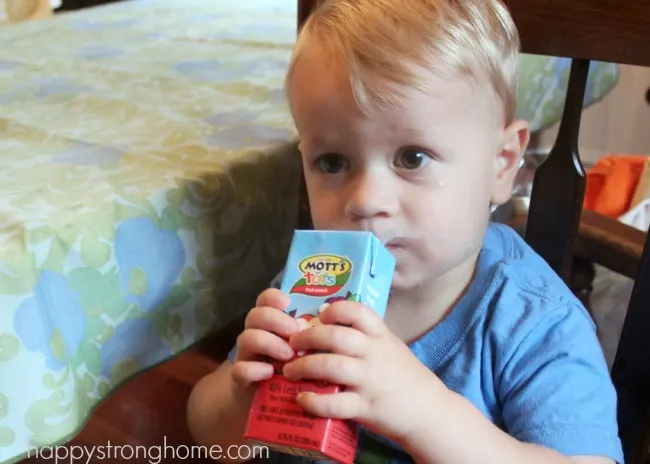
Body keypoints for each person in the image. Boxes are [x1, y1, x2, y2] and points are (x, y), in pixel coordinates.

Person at [186, 0, 624, 463]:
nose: (365, 200)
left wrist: (422, 413)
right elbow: (207, 430)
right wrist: (242, 399)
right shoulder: (318, 287)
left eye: (412, 157)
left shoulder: (536, 324)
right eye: (333, 162)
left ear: (501, 165)